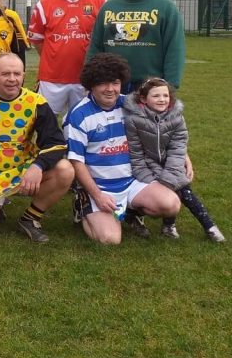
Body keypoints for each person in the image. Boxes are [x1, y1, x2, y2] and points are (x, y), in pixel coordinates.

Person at [65, 53, 181, 245]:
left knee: (171, 204)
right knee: (109, 239)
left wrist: (183, 155)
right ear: (91, 84)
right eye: (103, 83)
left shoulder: (131, 106)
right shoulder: (78, 115)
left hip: (132, 181)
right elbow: (76, 161)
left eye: (115, 83)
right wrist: (98, 195)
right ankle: (83, 204)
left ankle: (130, 210)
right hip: (100, 187)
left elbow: (165, 128)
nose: (110, 89)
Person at [0, 53, 74, 243]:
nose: (12, 79)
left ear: (23, 76)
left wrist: (37, 166)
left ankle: (30, 218)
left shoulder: (37, 102)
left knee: (65, 170)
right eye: (6, 74)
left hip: (22, 171)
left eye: (17, 74)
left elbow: (56, 142)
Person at [123, 77, 225, 242]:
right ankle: (203, 226)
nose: (162, 99)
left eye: (165, 95)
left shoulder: (177, 118)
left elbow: (178, 148)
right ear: (143, 98)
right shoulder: (133, 120)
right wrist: (151, 179)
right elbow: (136, 154)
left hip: (171, 162)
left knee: (180, 187)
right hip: (147, 166)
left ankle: (201, 226)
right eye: (156, 96)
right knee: (178, 189)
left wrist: (170, 174)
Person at [87, 0, 186, 92]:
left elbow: (175, 49)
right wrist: (89, 81)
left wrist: (170, 85)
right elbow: (95, 47)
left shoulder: (166, 8)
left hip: (151, 86)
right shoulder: (108, 8)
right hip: (112, 85)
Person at [28, 0, 107, 115]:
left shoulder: (100, 2)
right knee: (44, 123)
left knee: (83, 125)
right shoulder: (44, 4)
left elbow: (104, 41)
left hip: (86, 79)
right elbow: (37, 40)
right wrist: (55, 58)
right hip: (51, 79)